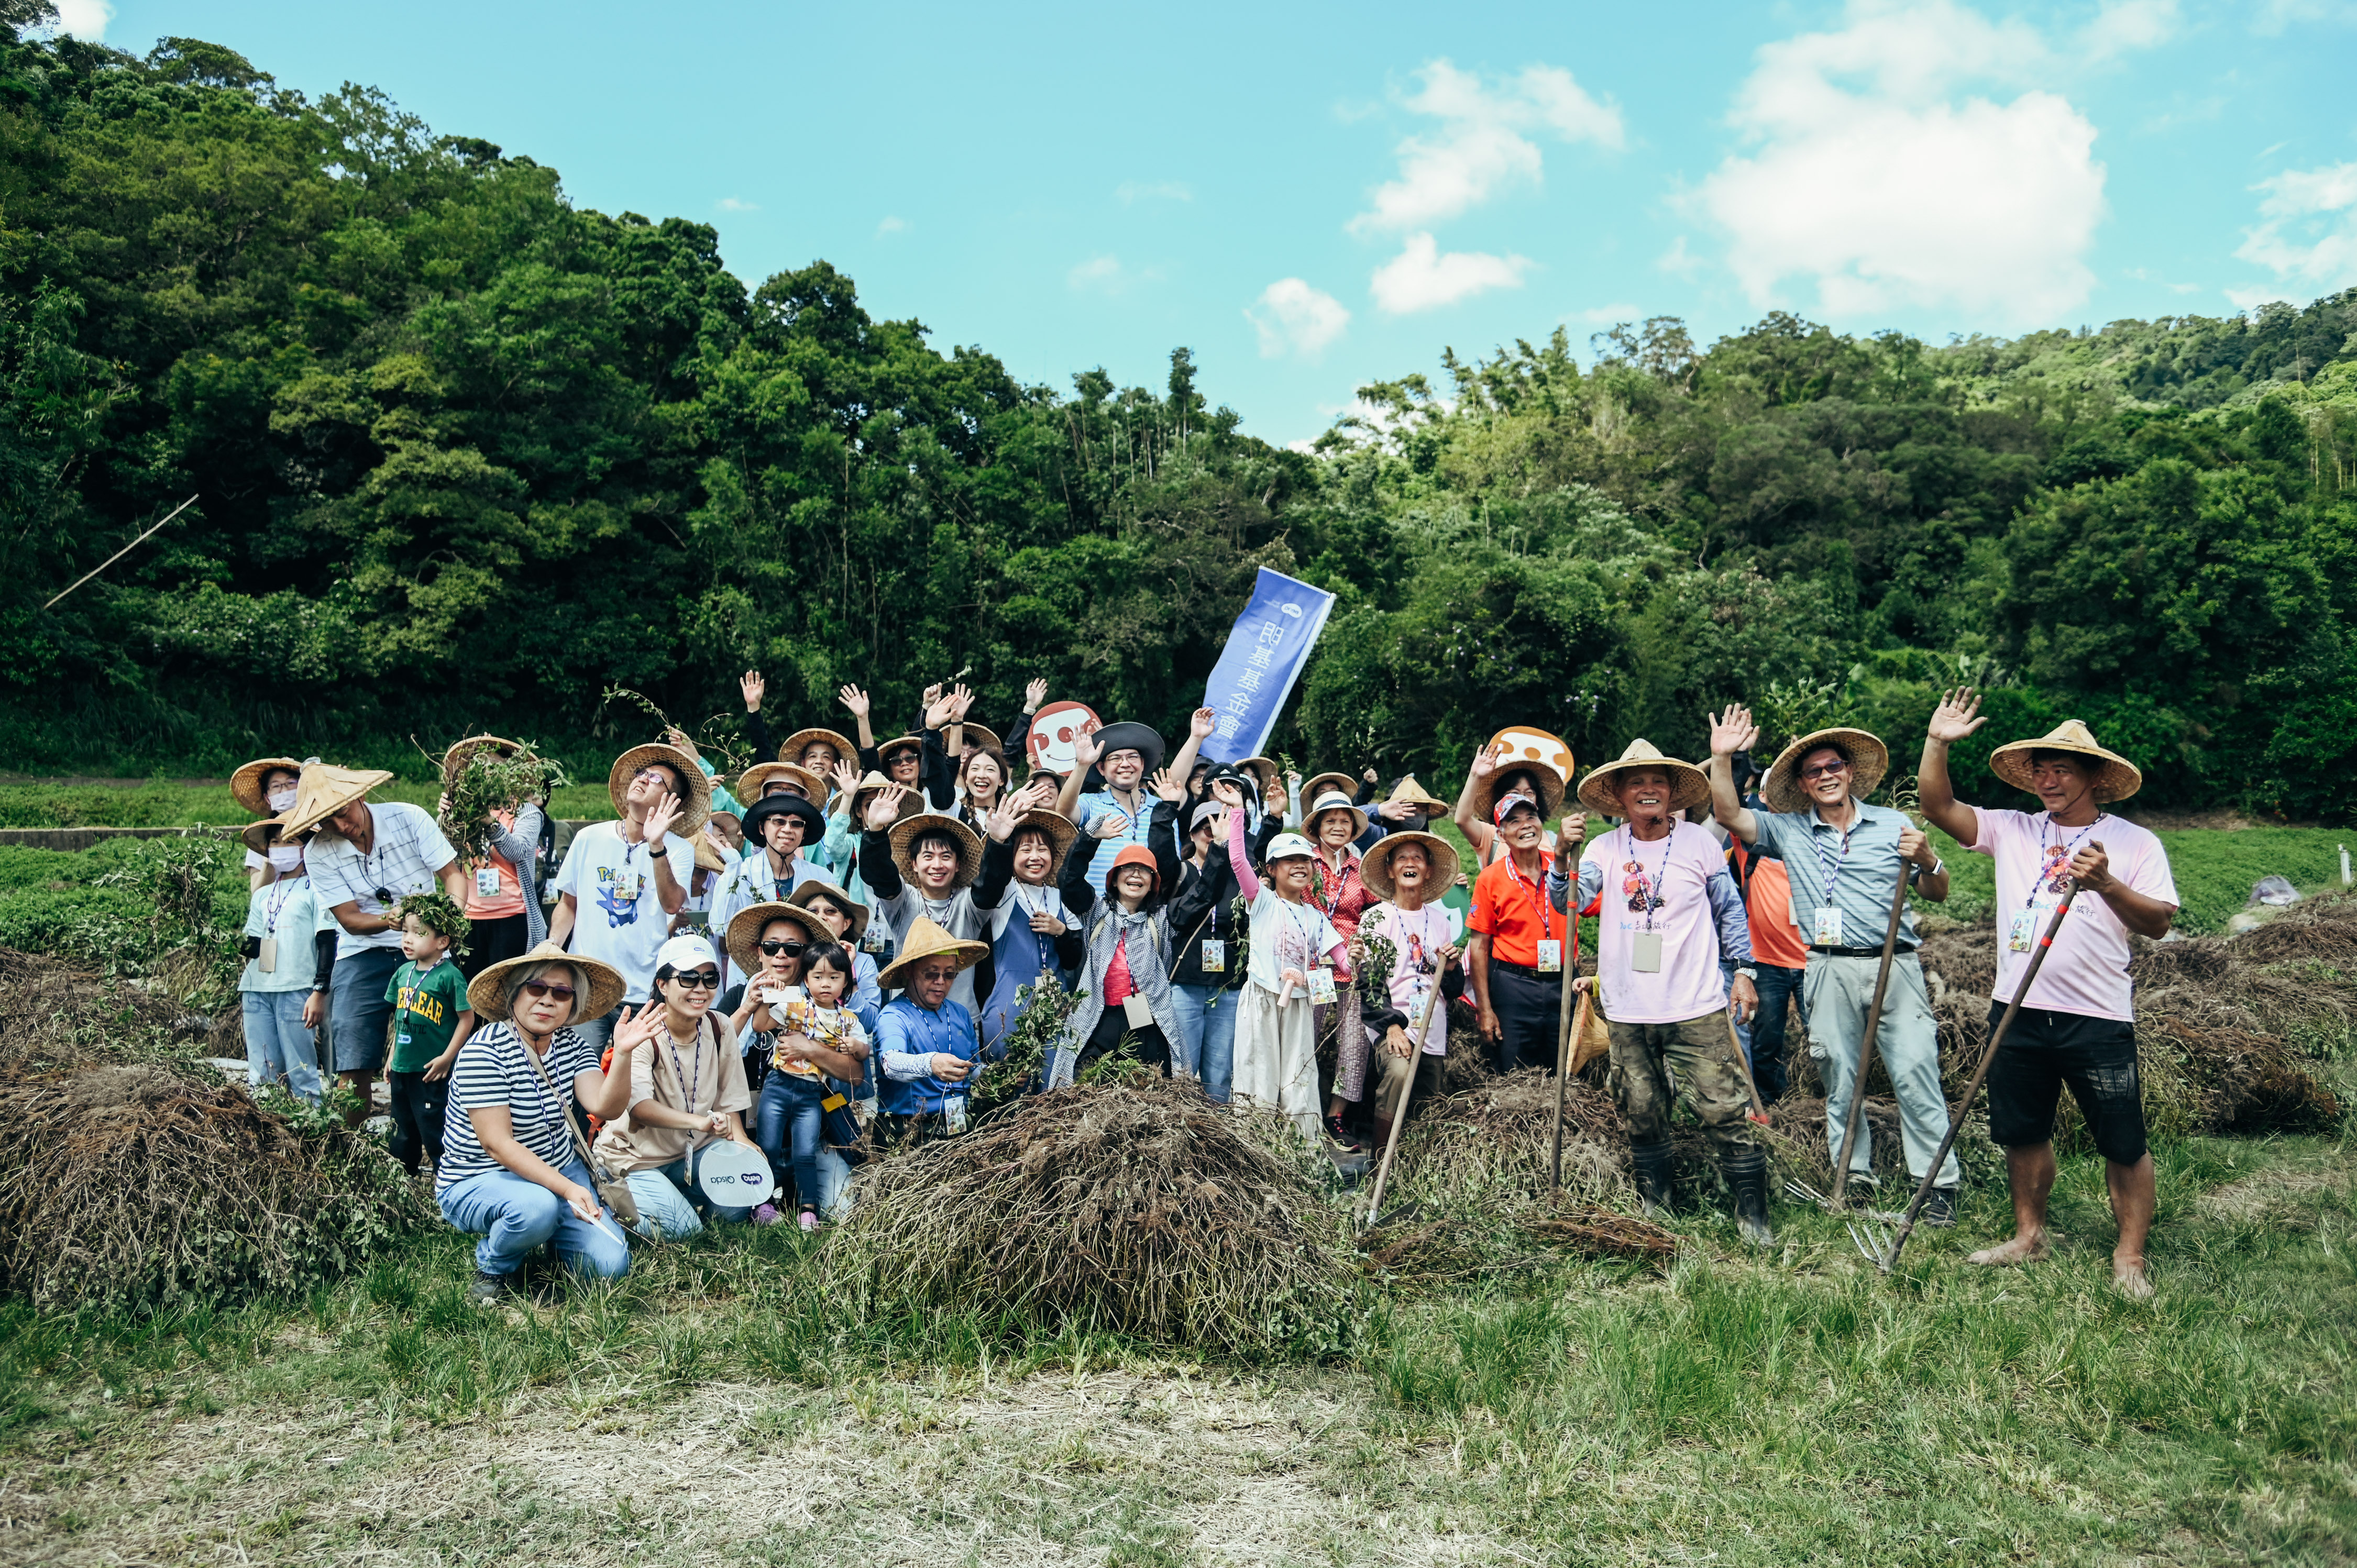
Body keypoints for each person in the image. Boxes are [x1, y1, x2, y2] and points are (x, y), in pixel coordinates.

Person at [1918, 695, 2177, 1298]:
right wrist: (1938, 742)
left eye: (2062, 768)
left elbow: (2159, 923)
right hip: (2017, 1010)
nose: (2047, 779)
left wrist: (2106, 883)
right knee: (2023, 1131)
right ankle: (2028, 1235)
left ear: (2094, 778)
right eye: (2040, 768)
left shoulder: (2134, 844)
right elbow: (1938, 806)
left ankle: (2130, 1257)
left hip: (2097, 1016)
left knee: (2123, 1139)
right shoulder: (2012, 829)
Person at [1706, 709, 1956, 1211]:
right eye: (1814, 771)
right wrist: (1721, 756)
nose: (1825, 776)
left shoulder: (1894, 824)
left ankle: (1937, 1185)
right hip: (1826, 964)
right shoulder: (1789, 831)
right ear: (1802, 783)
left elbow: (1938, 892)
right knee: (1839, 1074)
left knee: (1914, 1070)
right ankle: (1855, 1174)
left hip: (1896, 964)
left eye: (1833, 766)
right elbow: (1730, 815)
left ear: (1849, 771)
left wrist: (1929, 860)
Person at [1551, 741, 1771, 1243]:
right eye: (1636, 783)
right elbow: (1568, 900)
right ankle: (1658, 1201)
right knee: (1643, 1107)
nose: (1648, 790)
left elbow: (1730, 911)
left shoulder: (1700, 844)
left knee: (1721, 1106)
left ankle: (1753, 1214)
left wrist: (1743, 971)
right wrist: (1562, 856)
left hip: (1696, 1004)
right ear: (1620, 796)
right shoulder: (1604, 851)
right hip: (1629, 1009)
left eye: (1658, 782)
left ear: (1673, 793)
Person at [439, 943, 637, 1302]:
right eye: (536, 988)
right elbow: (497, 1144)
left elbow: (604, 1106)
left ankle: (549, 1236)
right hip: (480, 1176)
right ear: (514, 995)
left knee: (611, 1267)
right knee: (537, 1208)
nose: (548, 1000)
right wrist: (564, 1190)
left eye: (562, 993)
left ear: (572, 1005)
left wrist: (623, 1055)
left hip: (559, 1169)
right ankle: (493, 1267)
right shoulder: (484, 1051)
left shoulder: (572, 1045)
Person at [283, 762, 472, 1128]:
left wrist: (447, 921)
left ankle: (450, 1139)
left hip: (429, 949)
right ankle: (352, 1146)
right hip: (362, 952)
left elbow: (453, 877)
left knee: (437, 1042)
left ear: (360, 796)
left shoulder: (410, 819)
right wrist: (392, 920)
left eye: (342, 812)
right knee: (351, 1054)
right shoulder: (318, 852)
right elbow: (350, 920)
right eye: (327, 821)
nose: (340, 825)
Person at [590, 934, 764, 1240]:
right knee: (684, 1230)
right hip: (636, 1159)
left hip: (693, 1150)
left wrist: (742, 1143)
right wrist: (700, 1122)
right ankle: (610, 1201)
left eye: (710, 978)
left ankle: (674, 1203)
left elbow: (730, 1098)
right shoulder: (643, 1033)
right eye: (688, 978)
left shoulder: (719, 1026)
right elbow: (640, 1109)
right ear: (662, 985)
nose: (700, 988)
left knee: (741, 1197)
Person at [1214, 778, 1352, 1143]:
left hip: (1300, 1008)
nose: (1299, 866)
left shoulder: (1316, 918)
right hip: (1261, 998)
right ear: (1272, 870)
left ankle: (1304, 1154)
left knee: (1299, 1080)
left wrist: (1321, 975)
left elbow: (1345, 966)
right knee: (1258, 1077)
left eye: (1305, 861)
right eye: (1288, 860)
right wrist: (1240, 807)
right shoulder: (1262, 902)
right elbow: (1238, 859)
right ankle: (1256, 1153)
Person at [546, 742, 706, 1052]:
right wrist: (554, 944)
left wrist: (656, 845)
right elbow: (568, 905)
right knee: (581, 1078)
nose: (643, 779)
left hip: (642, 990)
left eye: (657, 779)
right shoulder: (589, 838)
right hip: (588, 984)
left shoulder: (679, 850)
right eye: (641, 773)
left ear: (671, 802)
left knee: (635, 1082)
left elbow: (672, 904)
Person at [735, 914, 871, 1231]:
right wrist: (751, 1003)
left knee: (843, 1208)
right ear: (759, 952)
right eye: (771, 947)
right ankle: (766, 1201)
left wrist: (810, 1049)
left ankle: (804, 1206)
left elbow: (857, 1074)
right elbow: (724, 1047)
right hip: (753, 1132)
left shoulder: (839, 1015)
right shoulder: (753, 999)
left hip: (814, 1117)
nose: (780, 955)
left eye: (792, 948)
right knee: (730, 1212)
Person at [1055, 768, 1187, 1083]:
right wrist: (1089, 838)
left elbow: (1198, 891)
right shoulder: (1095, 910)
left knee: (1149, 1089)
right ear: (1114, 878)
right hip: (1099, 1015)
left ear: (1153, 884)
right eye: (1127, 870)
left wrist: (1223, 849)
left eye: (1143, 872)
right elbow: (1069, 881)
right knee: (1085, 1089)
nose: (1135, 876)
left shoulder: (1160, 918)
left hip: (1143, 1015)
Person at [1352, 829, 1466, 1152]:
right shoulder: (1376, 918)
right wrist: (1391, 1025)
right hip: (1395, 1026)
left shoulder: (1441, 921)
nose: (1410, 863)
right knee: (1399, 1074)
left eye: (1417, 857)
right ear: (1390, 870)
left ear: (1428, 869)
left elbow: (1452, 988)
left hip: (1432, 1026)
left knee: (1430, 1097)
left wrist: (1453, 968)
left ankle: (1414, 1169)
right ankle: (1379, 1160)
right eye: (1402, 858)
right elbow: (1369, 983)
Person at [1466, 789, 1582, 1075]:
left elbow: (1601, 905)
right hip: (1514, 988)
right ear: (1502, 834)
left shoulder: (1565, 868)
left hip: (1563, 983)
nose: (1526, 825)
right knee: (1514, 1073)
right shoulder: (1491, 878)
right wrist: (1485, 1009)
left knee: (1565, 1072)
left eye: (1531, 816)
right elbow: (1479, 946)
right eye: (1514, 821)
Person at [858, 789, 997, 1015]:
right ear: (914, 864)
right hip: (908, 1018)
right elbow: (882, 876)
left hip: (961, 1019)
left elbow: (991, 886)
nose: (937, 865)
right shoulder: (904, 901)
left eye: (946, 856)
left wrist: (998, 843)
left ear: (958, 864)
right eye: (928, 857)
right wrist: (875, 830)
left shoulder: (967, 904)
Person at [972, 790, 1084, 1054]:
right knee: (1009, 1085)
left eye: (1042, 849)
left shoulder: (1061, 898)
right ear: (1012, 858)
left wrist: (1063, 933)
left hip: (1054, 1005)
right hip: (1007, 1008)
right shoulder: (1005, 892)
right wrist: (999, 842)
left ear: (1054, 857)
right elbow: (988, 884)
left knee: (1051, 1088)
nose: (1035, 857)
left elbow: (1072, 960)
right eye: (1026, 849)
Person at [236, 816, 335, 1106]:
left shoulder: (317, 889)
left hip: (297, 991)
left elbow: (327, 940)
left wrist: (319, 990)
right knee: (263, 1072)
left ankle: (311, 1135)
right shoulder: (262, 895)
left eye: (290, 841)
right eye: (275, 843)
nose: (282, 848)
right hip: (257, 991)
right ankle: (268, 1135)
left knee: (301, 1071)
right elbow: (256, 947)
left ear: (306, 847)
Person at [1056, 708, 1215, 888]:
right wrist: (1082, 766)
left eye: (1133, 757)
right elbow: (1064, 811)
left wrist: (1196, 737)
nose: (1125, 764)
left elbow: (1174, 783)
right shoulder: (1090, 803)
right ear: (1101, 768)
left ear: (1142, 764)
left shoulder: (1162, 808)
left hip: (1155, 910)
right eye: (1115, 759)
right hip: (1098, 910)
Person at [1723, 749, 1804, 1102]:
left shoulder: (1816, 835)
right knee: (1767, 1039)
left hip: (1817, 959)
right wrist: (1729, 759)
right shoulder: (1751, 840)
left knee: (1828, 1037)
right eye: (1777, 789)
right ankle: (1773, 1104)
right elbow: (1725, 809)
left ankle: (1831, 1100)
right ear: (1764, 796)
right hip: (1767, 962)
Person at [1299, 789, 1377, 1149]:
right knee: (1306, 1039)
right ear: (1316, 827)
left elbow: (1378, 912)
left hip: (1352, 969)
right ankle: (1302, 1111)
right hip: (1312, 968)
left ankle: (1337, 1117)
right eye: (1330, 821)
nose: (1338, 826)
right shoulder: (1302, 862)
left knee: (1354, 1045)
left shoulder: (1362, 870)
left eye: (1344, 821)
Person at [873, 918, 990, 1146]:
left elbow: (971, 1068)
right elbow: (891, 1063)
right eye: (931, 974)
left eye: (949, 975)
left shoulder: (960, 1014)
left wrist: (999, 1075)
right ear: (909, 970)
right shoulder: (894, 1016)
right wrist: (932, 1064)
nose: (941, 982)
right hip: (908, 1130)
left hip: (958, 1125)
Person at [440, 735, 549, 977]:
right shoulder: (464, 808)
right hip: (469, 916)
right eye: (481, 766)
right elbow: (446, 854)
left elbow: (518, 851)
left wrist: (489, 823)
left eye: (495, 767)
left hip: (512, 916)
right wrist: (447, 819)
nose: (488, 772)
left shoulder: (526, 811)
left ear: (510, 773)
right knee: (470, 991)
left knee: (506, 992)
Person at [383, 892, 475, 1177]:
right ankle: (403, 1181)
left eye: (418, 933)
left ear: (442, 942)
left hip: (432, 1070)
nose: (407, 939)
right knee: (401, 1129)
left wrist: (447, 1059)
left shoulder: (450, 976)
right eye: (406, 932)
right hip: (402, 1067)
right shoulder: (402, 973)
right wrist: (391, 1056)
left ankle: (447, 1181)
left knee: (434, 1127)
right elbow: (400, 1018)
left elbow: (467, 1019)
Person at [1162, 796, 1244, 1103]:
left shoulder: (1242, 876)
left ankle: (1217, 1140)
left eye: (1221, 828)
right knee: (1182, 1069)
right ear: (1193, 833)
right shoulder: (1180, 873)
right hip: (1185, 982)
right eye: (1206, 827)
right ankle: (1179, 1138)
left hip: (1227, 987)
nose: (1212, 833)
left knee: (1220, 1071)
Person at [709, 789, 831, 980]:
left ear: (804, 832)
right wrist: (732, 869)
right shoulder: (742, 872)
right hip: (749, 976)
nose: (788, 829)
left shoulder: (821, 877)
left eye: (797, 824)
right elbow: (719, 926)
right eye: (779, 822)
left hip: (804, 978)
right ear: (761, 828)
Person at [1453, 740, 1570, 869]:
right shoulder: (1492, 836)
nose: (1521, 798)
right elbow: (1462, 820)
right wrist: (1475, 776)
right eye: (1514, 793)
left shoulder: (1555, 841)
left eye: (1529, 792)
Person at [231, 756, 304, 890]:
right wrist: (269, 858)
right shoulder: (262, 835)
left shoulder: (321, 826)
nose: (285, 790)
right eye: (276, 786)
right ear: (267, 798)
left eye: (291, 783)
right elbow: (256, 892)